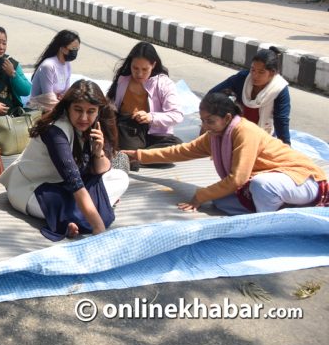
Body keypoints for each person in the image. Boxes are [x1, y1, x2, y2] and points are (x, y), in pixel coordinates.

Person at [124, 92, 327, 215]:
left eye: (209, 121)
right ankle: (284, 209)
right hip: (275, 186)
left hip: (305, 182)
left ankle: (267, 222)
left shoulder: (244, 131)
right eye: (203, 120)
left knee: (260, 185)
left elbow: (238, 179)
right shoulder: (215, 134)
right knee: (220, 202)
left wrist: (199, 196)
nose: (204, 126)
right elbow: (182, 151)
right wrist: (138, 155)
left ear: (227, 117)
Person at [0, 80, 130, 240]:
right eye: (78, 110)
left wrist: (98, 152)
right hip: (35, 190)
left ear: (98, 111)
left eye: (91, 111)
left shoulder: (96, 126)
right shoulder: (56, 131)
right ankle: (88, 213)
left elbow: (100, 171)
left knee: (120, 178)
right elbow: (74, 182)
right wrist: (98, 227)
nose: (83, 117)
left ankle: (73, 218)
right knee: (72, 203)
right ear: (68, 107)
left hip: (67, 189)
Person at [106, 41, 183, 170]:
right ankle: (140, 156)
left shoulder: (164, 83)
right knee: (123, 134)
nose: (139, 74)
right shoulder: (123, 80)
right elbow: (111, 106)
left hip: (156, 134)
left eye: (144, 69)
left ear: (153, 65)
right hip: (129, 129)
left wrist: (151, 117)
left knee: (178, 148)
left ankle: (132, 157)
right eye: (135, 68)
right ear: (130, 64)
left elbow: (177, 115)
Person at [208, 46, 290, 144]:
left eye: (261, 72)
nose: (255, 75)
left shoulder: (280, 89)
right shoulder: (243, 78)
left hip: (263, 135)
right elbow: (213, 94)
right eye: (253, 70)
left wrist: (286, 146)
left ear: (272, 73)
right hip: (238, 129)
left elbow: (281, 120)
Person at [29, 30, 81, 113]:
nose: (75, 53)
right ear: (62, 48)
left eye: (77, 49)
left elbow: (66, 93)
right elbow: (48, 97)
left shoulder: (67, 65)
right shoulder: (48, 66)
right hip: (39, 110)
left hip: (55, 107)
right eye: (73, 49)